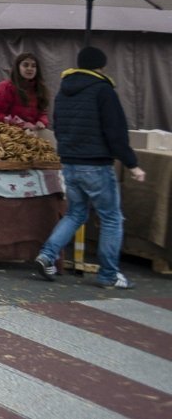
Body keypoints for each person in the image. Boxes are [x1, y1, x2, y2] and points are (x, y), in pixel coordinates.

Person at [36, 47, 146, 289]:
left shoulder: (63, 92)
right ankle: (109, 274)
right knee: (111, 218)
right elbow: (115, 131)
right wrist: (132, 163)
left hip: (69, 162)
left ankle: (47, 254)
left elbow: (59, 126)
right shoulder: (103, 90)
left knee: (76, 213)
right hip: (96, 164)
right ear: (100, 67)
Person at [0, 53, 49, 129]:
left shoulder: (39, 88)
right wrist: (20, 124)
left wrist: (42, 121)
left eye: (33, 66)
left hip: (32, 134)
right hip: (8, 134)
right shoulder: (5, 87)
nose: (30, 68)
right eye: (25, 65)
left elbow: (42, 111)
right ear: (17, 68)